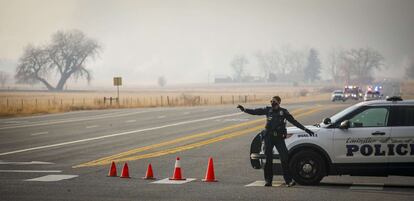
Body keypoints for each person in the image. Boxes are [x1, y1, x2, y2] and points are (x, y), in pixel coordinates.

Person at [237, 96, 314, 187]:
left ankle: (288, 181)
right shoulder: (268, 110)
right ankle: (268, 181)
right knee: (268, 159)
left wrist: (305, 129)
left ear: (278, 102)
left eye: (274, 101)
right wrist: (244, 109)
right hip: (268, 137)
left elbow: (294, 122)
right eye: (271, 101)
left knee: (284, 158)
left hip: (279, 138)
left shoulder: (284, 112)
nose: (272, 103)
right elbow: (255, 112)